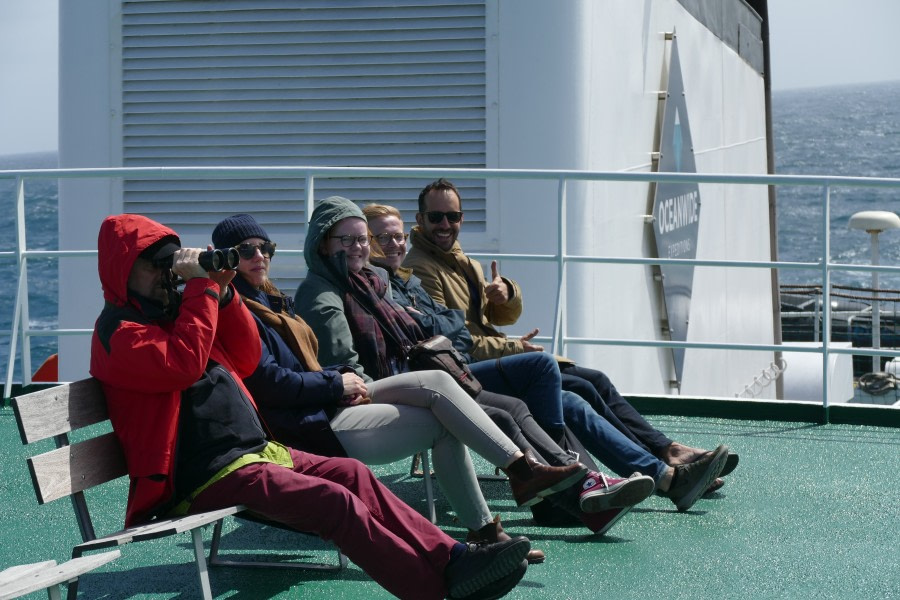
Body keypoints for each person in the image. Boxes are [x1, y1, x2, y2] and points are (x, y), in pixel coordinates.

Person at [89, 213, 531, 600]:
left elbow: (244, 357)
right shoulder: (119, 333)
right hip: (204, 474)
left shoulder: (179, 314)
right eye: (156, 267)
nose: (167, 276)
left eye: (171, 266)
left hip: (252, 453)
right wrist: (203, 289)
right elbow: (182, 367)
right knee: (333, 502)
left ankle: (452, 557)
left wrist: (224, 296)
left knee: (352, 474)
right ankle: (433, 588)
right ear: (123, 271)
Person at [212, 214, 556, 562]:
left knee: (438, 382)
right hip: (308, 429)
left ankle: (512, 491)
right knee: (443, 416)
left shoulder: (270, 300)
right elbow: (270, 386)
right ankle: (502, 506)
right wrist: (337, 383)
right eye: (246, 250)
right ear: (225, 258)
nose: (260, 256)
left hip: (324, 403)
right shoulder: (241, 311)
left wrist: (344, 377)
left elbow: (301, 369)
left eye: (265, 248)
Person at [292, 197, 656, 523]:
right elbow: (349, 373)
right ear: (323, 243)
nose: (360, 248)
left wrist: (496, 301)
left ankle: (581, 491)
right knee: (510, 406)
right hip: (375, 391)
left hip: (425, 373)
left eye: (361, 240)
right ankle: (573, 489)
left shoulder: (371, 281)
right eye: (349, 240)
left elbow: (452, 325)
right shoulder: (325, 295)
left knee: (519, 403)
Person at [399, 182, 735, 511]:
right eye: (436, 217)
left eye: (453, 216)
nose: (445, 225)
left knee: (595, 381)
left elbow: (496, 317)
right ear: (420, 220)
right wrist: (516, 349)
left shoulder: (462, 261)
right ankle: (657, 469)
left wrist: (507, 293)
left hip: (496, 358)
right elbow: (455, 341)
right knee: (575, 393)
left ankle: (665, 454)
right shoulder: (423, 269)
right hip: (471, 368)